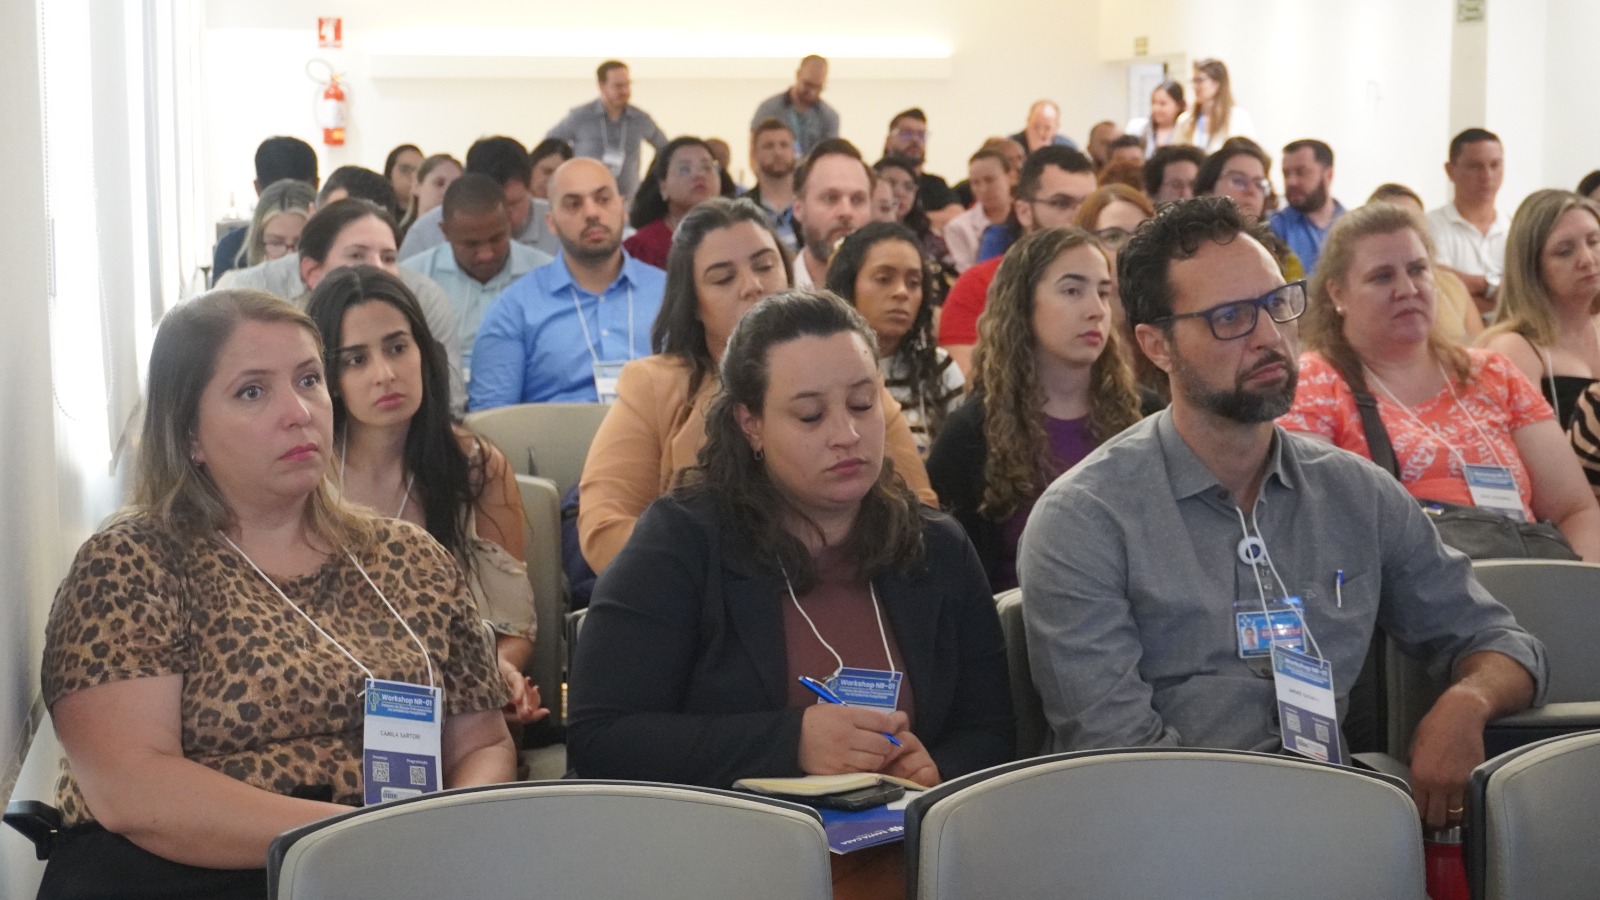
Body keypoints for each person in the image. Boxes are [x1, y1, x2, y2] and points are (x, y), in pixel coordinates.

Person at [1021, 196, 1546, 831]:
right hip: (1165, 839)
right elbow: (1122, 756)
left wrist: (1468, 700)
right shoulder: (1086, 519)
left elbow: (1502, 643)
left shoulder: (1355, 494)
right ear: (1157, 346)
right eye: (1230, 318)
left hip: (1331, 818)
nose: (1270, 336)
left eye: (1277, 303)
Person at [37, 290, 514, 896]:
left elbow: (484, 742)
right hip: (192, 878)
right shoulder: (133, 565)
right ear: (190, 434)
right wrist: (358, 840)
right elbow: (133, 789)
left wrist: (445, 841)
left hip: (405, 870)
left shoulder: (410, 557)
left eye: (309, 380)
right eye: (252, 392)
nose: (298, 411)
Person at [568, 288, 1012, 789]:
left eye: (863, 404)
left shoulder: (938, 547)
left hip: (898, 830)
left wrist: (937, 769)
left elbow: (991, 731)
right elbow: (602, 737)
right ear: (751, 424)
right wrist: (790, 743)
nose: (847, 434)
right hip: (724, 833)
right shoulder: (680, 542)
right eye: (810, 416)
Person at [576, 198, 936, 572]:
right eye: (723, 278)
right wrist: (726, 577)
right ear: (693, 302)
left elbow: (920, 509)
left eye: (765, 266)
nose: (753, 286)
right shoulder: (652, 385)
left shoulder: (847, 375)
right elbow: (604, 529)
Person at [1279, 201, 1600, 559]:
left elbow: (1577, 511)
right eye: (1382, 276)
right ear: (1338, 294)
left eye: (1418, 269)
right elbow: (1316, 530)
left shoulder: (1494, 373)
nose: (1407, 289)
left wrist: (1578, 588)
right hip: (1404, 588)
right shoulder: (1315, 382)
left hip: (1529, 579)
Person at [305, 266, 546, 726]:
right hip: (329, 703)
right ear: (327, 377)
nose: (385, 374)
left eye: (397, 348)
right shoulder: (305, 473)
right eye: (356, 360)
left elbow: (513, 626)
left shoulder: (476, 466)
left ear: (423, 352)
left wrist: (500, 669)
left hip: (450, 702)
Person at [927, 227, 1142, 591]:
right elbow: (949, 579)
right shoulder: (971, 433)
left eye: (1104, 293)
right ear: (1023, 303)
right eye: (1072, 291)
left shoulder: (1144, 414)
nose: (1096, 310)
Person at [227, 197, 467, 412]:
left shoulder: (423, 296)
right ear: (313, 272)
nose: (377, 269)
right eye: (357, 256)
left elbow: (450, 403)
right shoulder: (251, 293)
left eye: (388, 258)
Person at [468, 158, 666, 408]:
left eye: (603, 199)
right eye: (574, 204)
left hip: (657, 431)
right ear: (551, 222)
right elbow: (491, 417)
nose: (592, 213)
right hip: (556, 433)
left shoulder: (668, 293)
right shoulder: (515, 308)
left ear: (623, 208)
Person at [939, 146, 1098, 375]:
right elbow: (963, 381)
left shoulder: (1114, 285)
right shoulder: (980, 284)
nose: (1080, 217)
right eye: (1061, 203)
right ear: (1024, 211)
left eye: (1091, 205)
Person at [826, 222, 965, 453]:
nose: (902, 292)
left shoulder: (939, 368)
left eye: (914, 283)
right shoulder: (819, 368)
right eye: (884, 279)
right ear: (849, 286)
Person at [401, 173, 554, 375]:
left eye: (496, 239)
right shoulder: (412, 280)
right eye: (471, 244)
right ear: (445, 232)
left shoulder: (547, 274)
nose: (486, 254)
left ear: (509, 222)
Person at [1480, 189, 1600, 428]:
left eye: (1594, 241)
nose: (1587, 259)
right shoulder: (1513, 348)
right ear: (1532, 267)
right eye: (1564, 251)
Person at [399, 136, 558, 260]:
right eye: (489, 205)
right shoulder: (426, 233)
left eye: (512, 204)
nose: (502, 215)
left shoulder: (559, 223)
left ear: (530, 188)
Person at [1369, 182, 1483, 343]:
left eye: (1415, 223)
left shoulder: (1452, 285)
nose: (1408, 235)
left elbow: (1481, 348)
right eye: (1395, 225)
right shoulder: (1369, 290)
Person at [546, 60, 668, 203]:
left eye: (627, 84)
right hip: (587, 202)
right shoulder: (580, 117)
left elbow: (665, 149)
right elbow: (549, 146)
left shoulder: (640, 119)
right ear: (601, 86)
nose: (625, 91)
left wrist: (650, 183)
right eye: (618, 86)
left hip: (628, 203)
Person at [212, 136, 320, 285]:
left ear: (257, 187)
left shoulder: (230, 249)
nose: (290, 259)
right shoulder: (235, 278)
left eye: (301, 244)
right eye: (275, 243)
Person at [1428, 128, 1508, 316]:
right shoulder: (1431, 226)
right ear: (1450, 171)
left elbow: (1527, 296)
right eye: (1475, 167)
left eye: (1495, 165)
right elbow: (1440, 290)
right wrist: (1493, 287)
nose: (1487, 176)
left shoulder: (1514, 228)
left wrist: (1466, 286)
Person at [624, 136, 735, 269]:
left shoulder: (741, 237)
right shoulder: (642, 247)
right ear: (663, 187)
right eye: (684, 169)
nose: (699, 175)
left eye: (707, 167)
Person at [790, 138, 874, 289]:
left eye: (857, 200)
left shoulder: (888, 298)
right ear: (798, 208)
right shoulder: (772, 294)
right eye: (831, 198)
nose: (846, 212)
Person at [215, 178, 316, 287]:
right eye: (276, 243)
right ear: (259, 245)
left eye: (301, 244)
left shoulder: (327, 290)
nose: (290, 256)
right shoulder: (234, 287)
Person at [874, 155, 956, 281]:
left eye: (908, 187)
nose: (900, 193)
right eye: (891, 183)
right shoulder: (860, 232)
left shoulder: (928, 238)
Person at [1271, 139, 1345, 274]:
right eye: (1286, 174)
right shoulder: (1273, 227)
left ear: (1328, 175)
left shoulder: (1354, 227)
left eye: (1301, 172)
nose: (1291, 182)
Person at [882, 108, 963, 228]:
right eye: (906, 134)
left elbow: (957, 217)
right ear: (888, 141)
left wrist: (911, 220)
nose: (915, 140)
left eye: (921, 135)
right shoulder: (871, 177)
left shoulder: (935, 184)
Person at [943, 147, 1018, 272]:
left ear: (1011, 177)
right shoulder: (958, 227)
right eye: (975, 183)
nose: (983, 189)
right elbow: (967, 274)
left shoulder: (1032, 215)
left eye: (990, 180)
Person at [749, 55, 839, 156]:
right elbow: (754, 151)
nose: (812, 92)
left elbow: (830, 157)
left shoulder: (830, 117)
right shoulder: (768, 109)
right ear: (798, 74)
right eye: (807, 84)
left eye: (818, 87)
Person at [1177, 58, 1256, 152]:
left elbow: (1251, 153)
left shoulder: (1238, 117)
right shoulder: (1185, 121)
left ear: (1217, 84)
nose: (1194, 86)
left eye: (1199, 80)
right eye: (1193, 81)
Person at [745, 117, 800, 252]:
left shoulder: (810, 205)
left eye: (784, 145)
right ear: (754, 154)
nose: (778, 152)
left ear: (794, 152)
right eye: (769, 146)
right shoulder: (740, 209)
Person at [401, 154, 462, 236]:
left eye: (455, 186)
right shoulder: (393, 238)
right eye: (439, 183)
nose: (447, 192)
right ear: (416, 185)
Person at [1128, 80, 1185, 156]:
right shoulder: (1139, 129)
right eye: (1153, 103)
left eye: (1163, 104)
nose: (1156, 108)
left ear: (1178, 106)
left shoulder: (1186, 131)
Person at [1011, 99, 1079, 153]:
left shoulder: (1068, 149)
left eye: (1047, 128)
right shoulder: (1011, 147)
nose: (1040, 132)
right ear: (1028, 122)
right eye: (1035, 126)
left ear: (1056, 127)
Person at [383, 143, 424, 216]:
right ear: (389, 173)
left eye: (418, 171)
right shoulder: (377, 214)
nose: (413, 176)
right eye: (405, 169)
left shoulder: (430, 216)